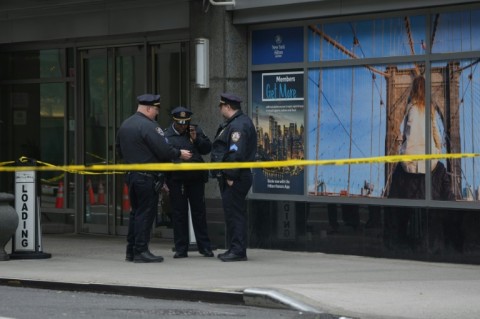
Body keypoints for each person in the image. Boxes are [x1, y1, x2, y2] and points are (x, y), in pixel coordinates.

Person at [116, 94, 192, 263]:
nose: (157, 113)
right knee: (146, 214)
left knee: (136, 213)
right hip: (147, 177)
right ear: (149, 108)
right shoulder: (149, 126)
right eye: (156, 110)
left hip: (132, 176)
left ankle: (131, 250)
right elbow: (163, 150)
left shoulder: (125, 124)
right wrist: (179, 153)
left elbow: (119, 151)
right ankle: (141, 251)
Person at [211, 93, 257, 262]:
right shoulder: (235, 123)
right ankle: (233, 247)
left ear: (228, 107)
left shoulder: (238, 126)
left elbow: (235, 153)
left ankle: (237, 250)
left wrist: (230, 175)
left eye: (221, 106)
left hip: (235, 177)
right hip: (235, 176)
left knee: (235, 213)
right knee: (232, 213)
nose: (220, 109)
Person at [163, 106, 214, 259]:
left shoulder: (195, 130)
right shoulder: (167, 134)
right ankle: (181, 248)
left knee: (199, 212)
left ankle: (204, 247)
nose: (183, 126)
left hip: (196, 178)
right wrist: (179, 157)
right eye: (180, 123)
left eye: (185, 123)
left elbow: (207, 149)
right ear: (174, 121)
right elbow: (164, 154)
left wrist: (196, 139)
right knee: (179, 213)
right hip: (177, 180)